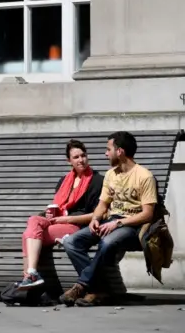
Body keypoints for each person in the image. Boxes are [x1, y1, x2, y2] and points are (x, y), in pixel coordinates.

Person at [59, 131, 158, 307]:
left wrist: (118, 222)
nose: (106, 154)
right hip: (109, 222)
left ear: (119, 151)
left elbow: (147, 214)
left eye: (108, 149)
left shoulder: (144, 176)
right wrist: (95, 218)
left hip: (132, 226)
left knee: (106, 243)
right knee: (71, 242)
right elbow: (103, 205)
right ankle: (98, 290)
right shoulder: (111, 174)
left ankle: (81, 285)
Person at [18, 140, 104, 290]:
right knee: (33, 221)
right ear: (69, 161)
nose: (81, 160)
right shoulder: (64, 181)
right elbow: (59, 206)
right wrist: (51, 213)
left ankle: (29, 276)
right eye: (76, 157)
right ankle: (31, 275)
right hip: (59, 222)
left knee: (28, 235)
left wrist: (67, 218)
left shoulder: (97, 180)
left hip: (76, 226)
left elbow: (98, 214)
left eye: (83, 155)